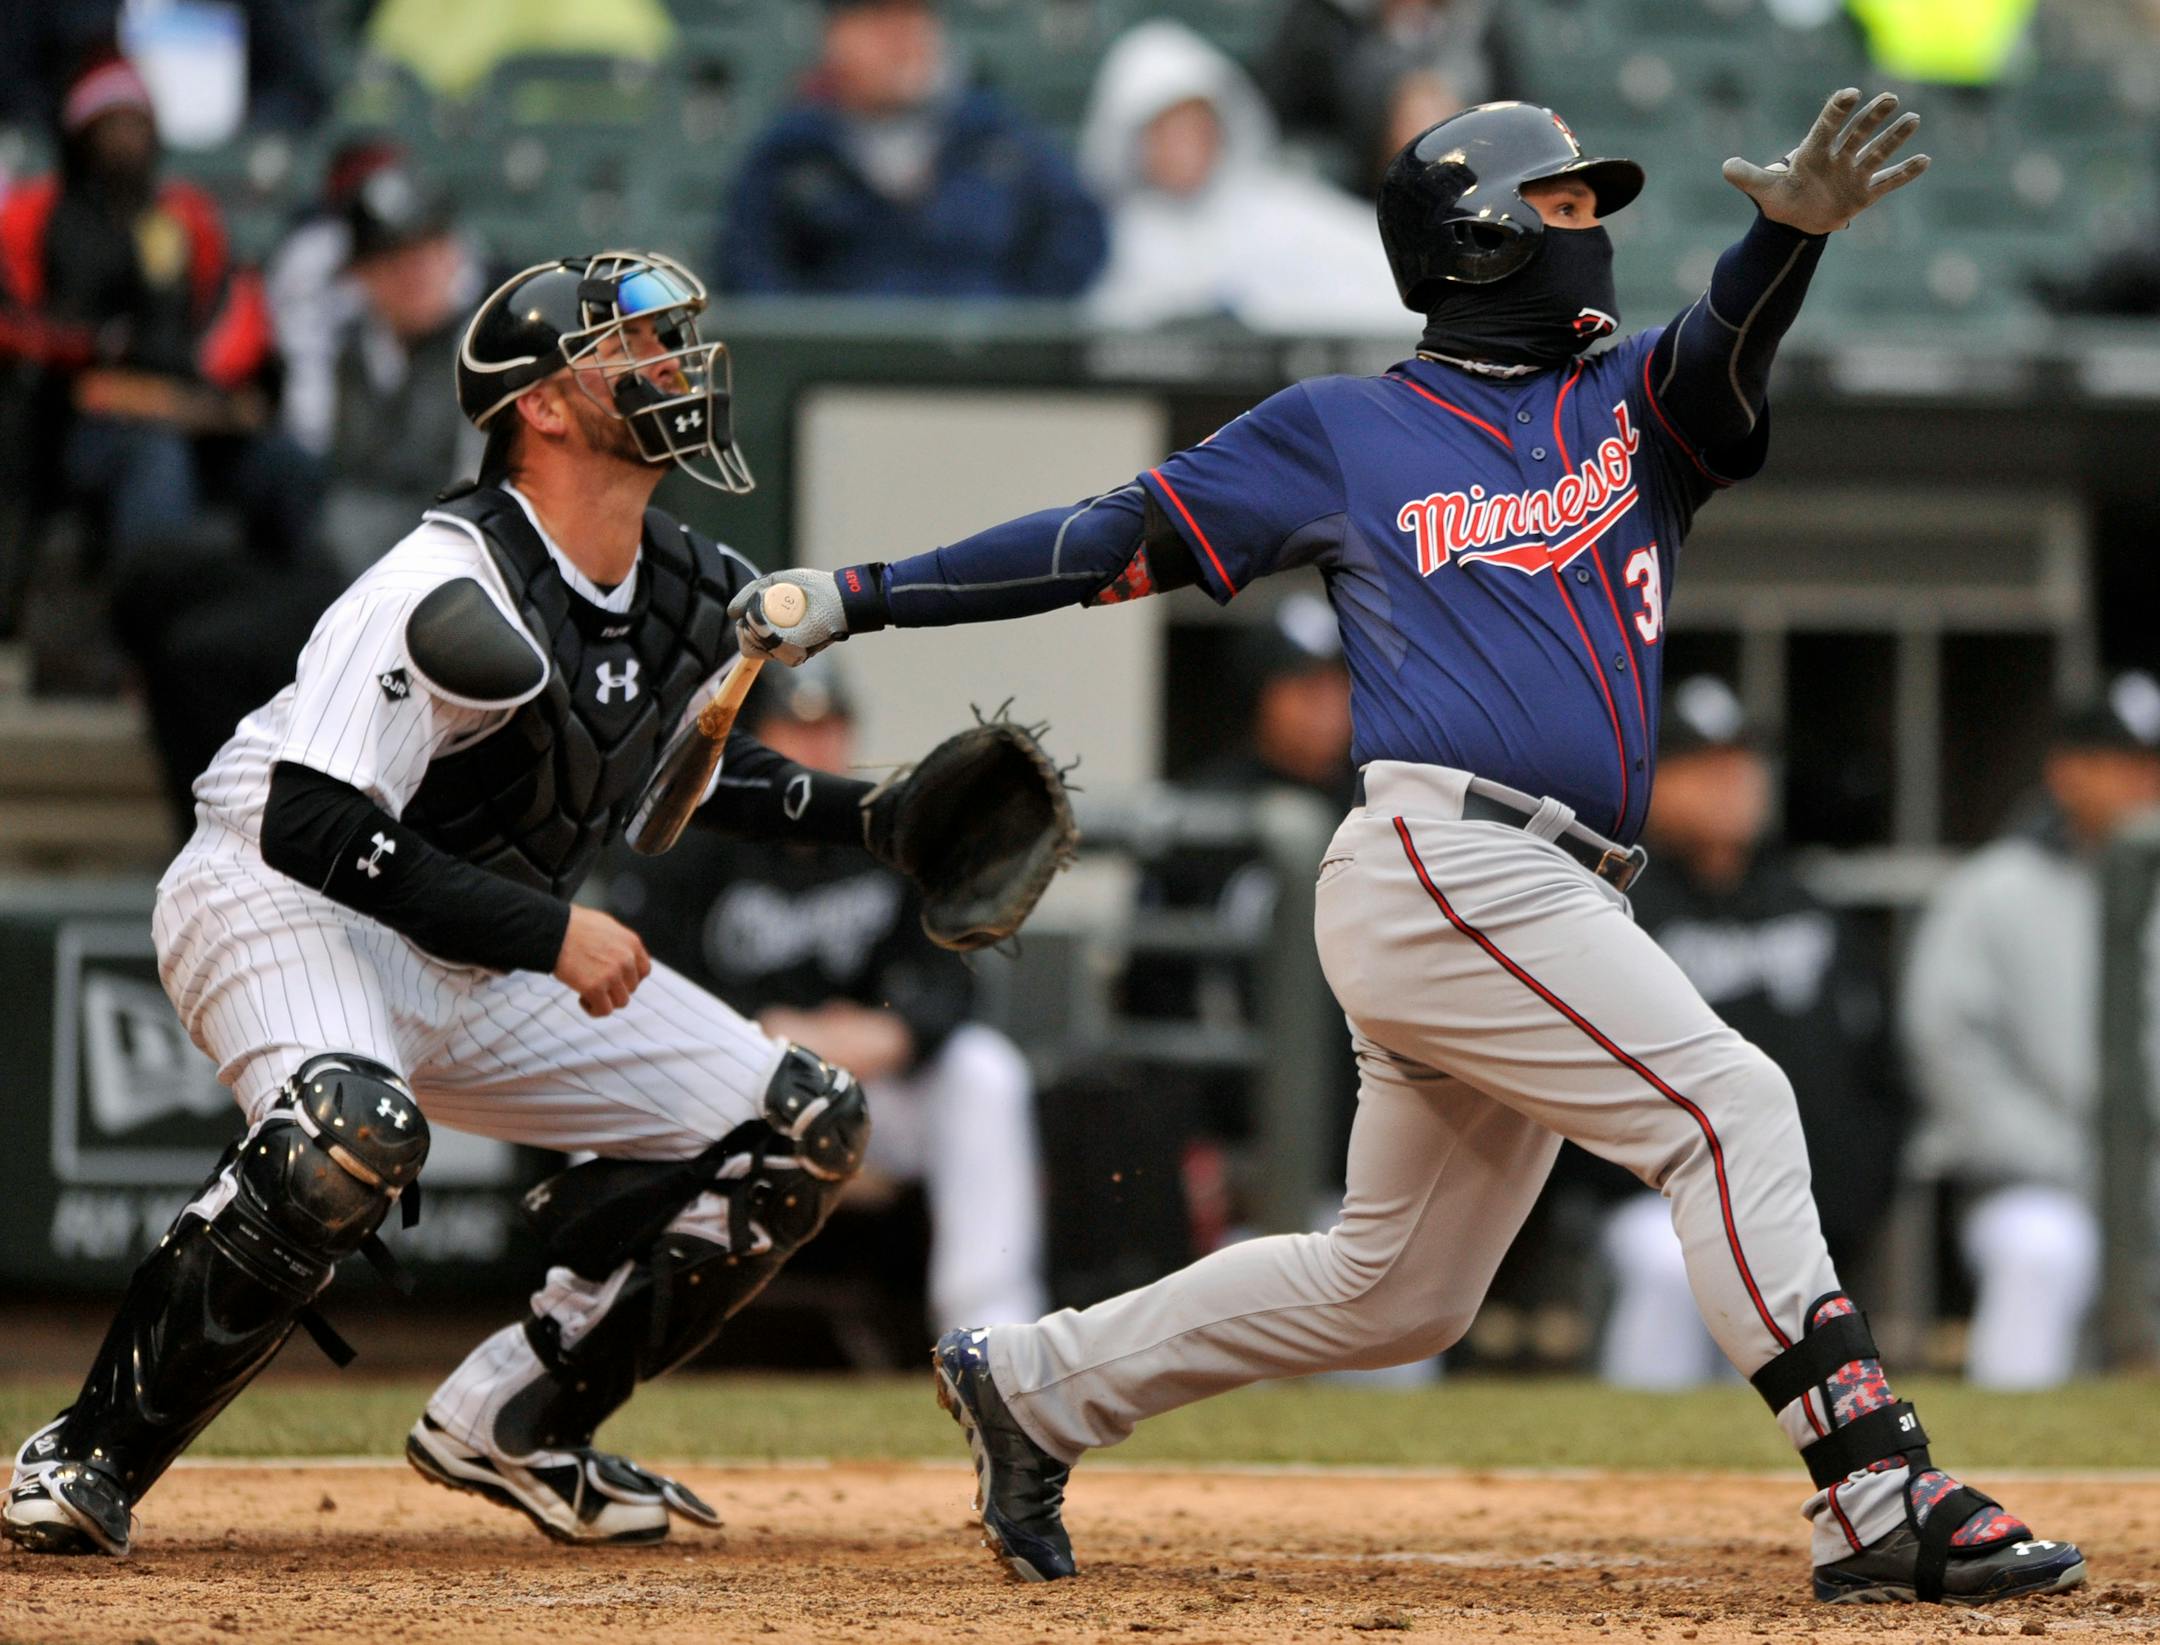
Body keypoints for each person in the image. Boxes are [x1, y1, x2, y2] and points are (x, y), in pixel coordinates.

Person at [729, 93, 2090, 1606]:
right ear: (1481, 233)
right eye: (1563, 205)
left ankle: (1038, 1383)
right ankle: (1873, 1484)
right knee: (1728, 1103)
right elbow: (1100, 536)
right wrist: (860, 591)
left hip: (1545, 889)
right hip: (1448, 860)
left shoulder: (1633, 405)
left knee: (1397, 1289)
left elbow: (1720, 355)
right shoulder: (1343, 430)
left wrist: (1786, 239)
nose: (1593, 228)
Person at [0, 249, 926, 1559]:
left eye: (673, 344)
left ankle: (523, 1418)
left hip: (475, 939)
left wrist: (876, 813)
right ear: (541, 406)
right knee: (346, 1133)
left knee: (801, 1125)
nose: (674, 369)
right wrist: (550, 931)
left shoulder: (684, 584)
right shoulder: (439, 586)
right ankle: (87, 1453)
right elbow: (311, 821)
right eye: (636, 350)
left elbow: (669, 774)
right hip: (279, 902)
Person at [602, 660, 1047, 1332]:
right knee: (610, 1079)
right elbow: (640, 986)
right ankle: (600, 1321)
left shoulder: (888, 830)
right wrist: (760, 1028)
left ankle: (990, 1333)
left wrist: (895, 1033)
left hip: (861, 1091)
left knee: (985, 1072)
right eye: (797, 728)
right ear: (751, 740)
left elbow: (952, 981)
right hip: (726, 1090)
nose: (819, 748)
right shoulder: (689, 829)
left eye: (833, 727)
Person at [1571, 677, 1901, 1388]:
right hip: (1655, 1205)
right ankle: (1637, 1465)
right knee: (1667, 1262)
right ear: (1651, 779)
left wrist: (1849, 1202)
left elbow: (1879, 1073)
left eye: (1743, 764)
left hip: (1804, 1208)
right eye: (1705, 766)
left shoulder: (1813, 903)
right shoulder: (1607, 907)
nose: (1733, 785)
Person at [1900, 676, 2160, 1389]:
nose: (2145, 781)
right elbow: (1950, 1052)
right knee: (2042, 1248)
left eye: (2152, 763)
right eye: (2124, 761)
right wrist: (2086, 1166)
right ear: (2066, 770)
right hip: (2037, 1180)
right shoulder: (1992, 890)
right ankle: (2011, 1462)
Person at [718, 0, 1106, 300]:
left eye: (914, 16)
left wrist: (1005, 326)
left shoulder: (998, 137)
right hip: (844, 379)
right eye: (879, 20)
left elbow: (1077, 235)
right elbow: (748, 269)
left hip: (980, 375)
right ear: (835, 35)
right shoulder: (793, 151)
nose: (902, 39)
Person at [1077, 21, 1406, 335]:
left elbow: (1380, 283)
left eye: (1197, 126)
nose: (1186, 146)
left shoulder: (1279, 208)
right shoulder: (1115, 235)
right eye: (1168, 131)